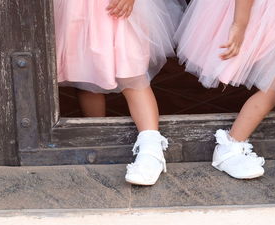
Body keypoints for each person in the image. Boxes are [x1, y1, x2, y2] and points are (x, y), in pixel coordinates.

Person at [176, 0, 275, 179]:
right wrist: (240, 24)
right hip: (258, 13)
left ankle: (236, 142)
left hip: (274, 12)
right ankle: (230, 147)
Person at [54, 0, 186, 185]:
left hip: (116, 7)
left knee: (133, 77)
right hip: (76, 8)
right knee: (85, 75)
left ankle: (151, 150)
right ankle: (98, 137)